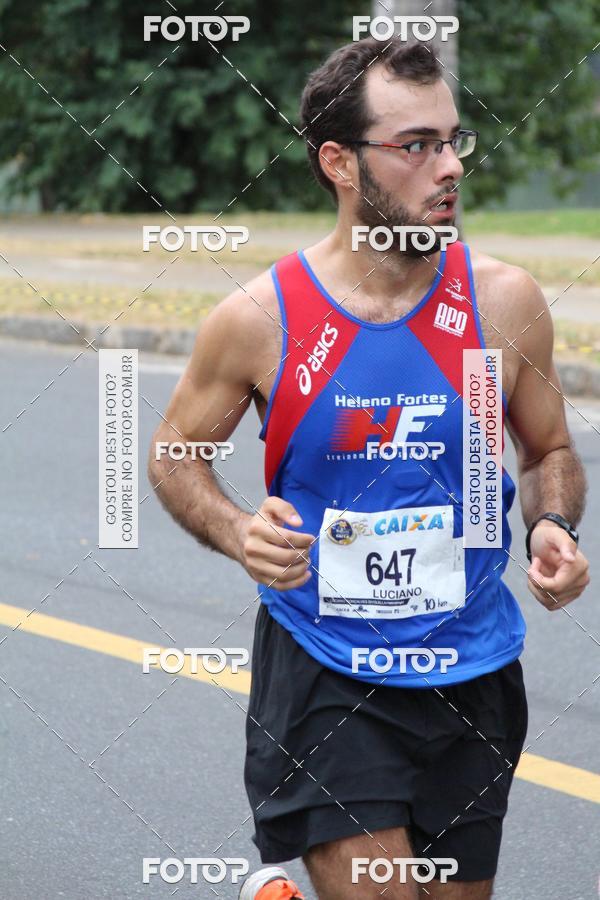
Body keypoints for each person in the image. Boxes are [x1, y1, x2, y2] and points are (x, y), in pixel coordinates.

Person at [148, 37, 589, 900]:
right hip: (325, 667)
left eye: (453, 140)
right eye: (415, 144)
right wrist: (240, 531)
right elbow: (174, 455)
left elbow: (549, 451)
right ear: (339, 162)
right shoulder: (260, 319)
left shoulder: (504, 303)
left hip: (475, 669)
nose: (448, 166)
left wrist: (551, 524)